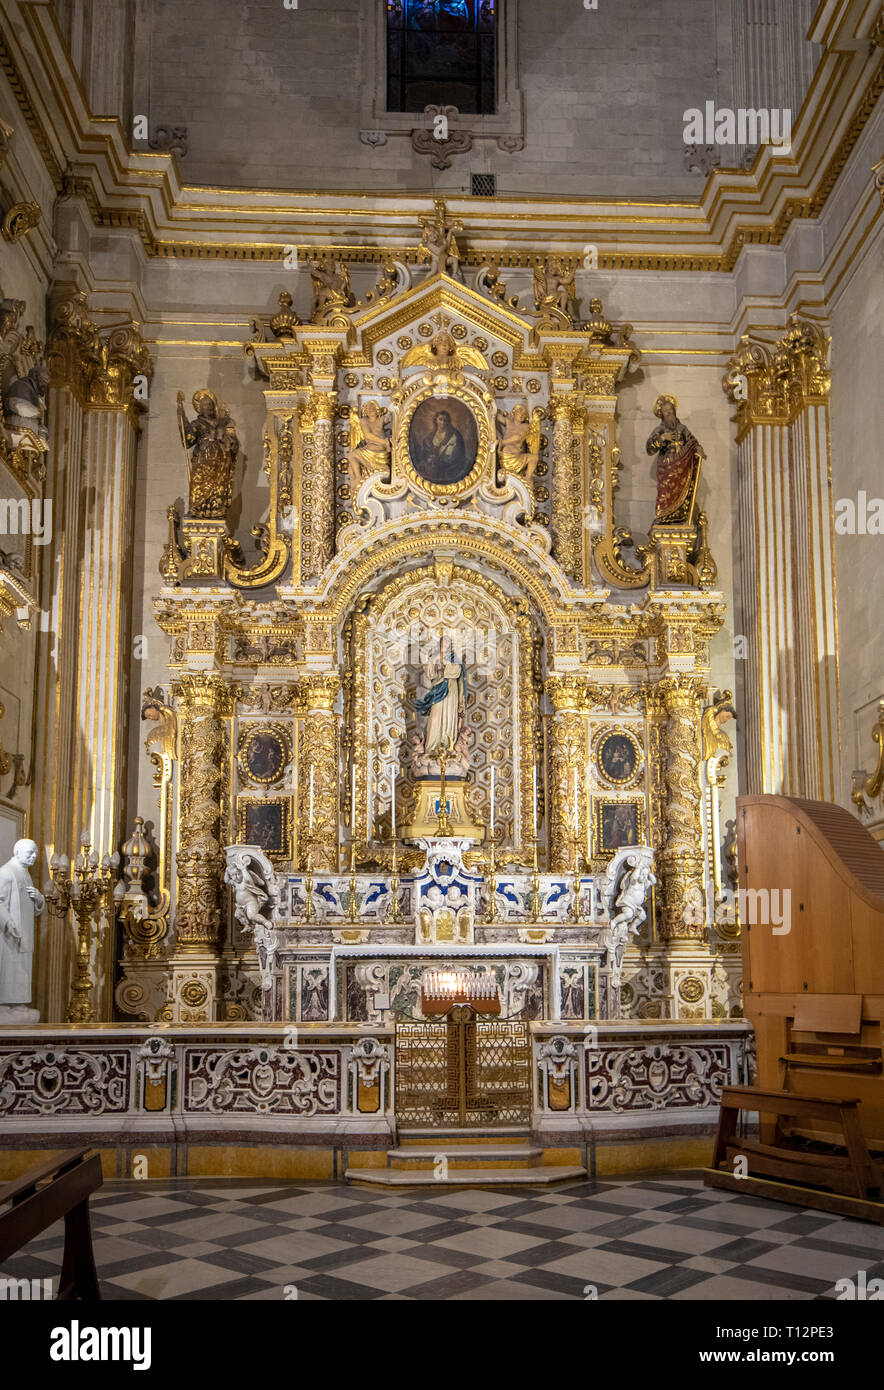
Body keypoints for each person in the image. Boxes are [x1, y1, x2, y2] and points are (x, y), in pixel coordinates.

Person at [0, 839, 45, 1021]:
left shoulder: (25, 874)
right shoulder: (6, 872)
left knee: (22, 968)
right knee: (10, 967)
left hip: (24, 932)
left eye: (35, 852)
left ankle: (17, 1003)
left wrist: (39, 898)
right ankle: (5, 1004)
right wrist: (8, 922)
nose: (34, 856)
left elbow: (33, 909)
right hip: (9, 933)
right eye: (30, 853)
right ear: (17, 852)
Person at [645, 394, 705, 524]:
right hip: (667, 470)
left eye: (671, 410)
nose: (669, 413)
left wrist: (698, 449)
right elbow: (649, 449)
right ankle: (662, 517)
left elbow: (693, 442)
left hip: (682, 469)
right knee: (665, 493)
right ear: (661, 414)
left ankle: (680, 518)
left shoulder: (683, 429)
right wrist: (662, 438)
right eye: (666, 411)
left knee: (682, 493)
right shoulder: (659, 430)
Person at [416, 643, 467, 757]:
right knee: (435, 716)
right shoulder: (434, 657)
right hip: (438, 690)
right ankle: (431, 749)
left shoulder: (455, 659)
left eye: (448, 643)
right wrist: (434, 660)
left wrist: (446, 663)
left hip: (451, 691)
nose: (445, 645)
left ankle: (449, 749)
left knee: (449, 717)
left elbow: (457, 672)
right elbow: (430, 673)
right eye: (443, 642)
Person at [415, 409, 469, 484]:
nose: (443, 422)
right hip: (432, 467)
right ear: (436, 420)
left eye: (445, 420)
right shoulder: (429, 438)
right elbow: (424, 454)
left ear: (448, 422)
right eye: (440, 419)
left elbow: (457, 456)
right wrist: (429, 458)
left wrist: (441, 459)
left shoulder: (454, 436)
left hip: (449, 467)